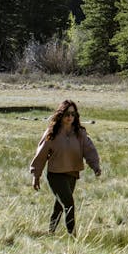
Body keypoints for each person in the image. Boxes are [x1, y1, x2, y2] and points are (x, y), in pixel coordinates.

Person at [30, 99, 101, 235]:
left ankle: (50, 231)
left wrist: (95, 166)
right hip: (55, 174)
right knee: (69, 204)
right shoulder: (52, 133)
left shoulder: (80, 133)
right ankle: (72, 236)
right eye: (67, 114)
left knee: (60, 206)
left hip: (72, 174)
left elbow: (89, 150)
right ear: (61, 115)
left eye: (73, 114)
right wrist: (36, 175)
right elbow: (41, 154)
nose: (70, 117)